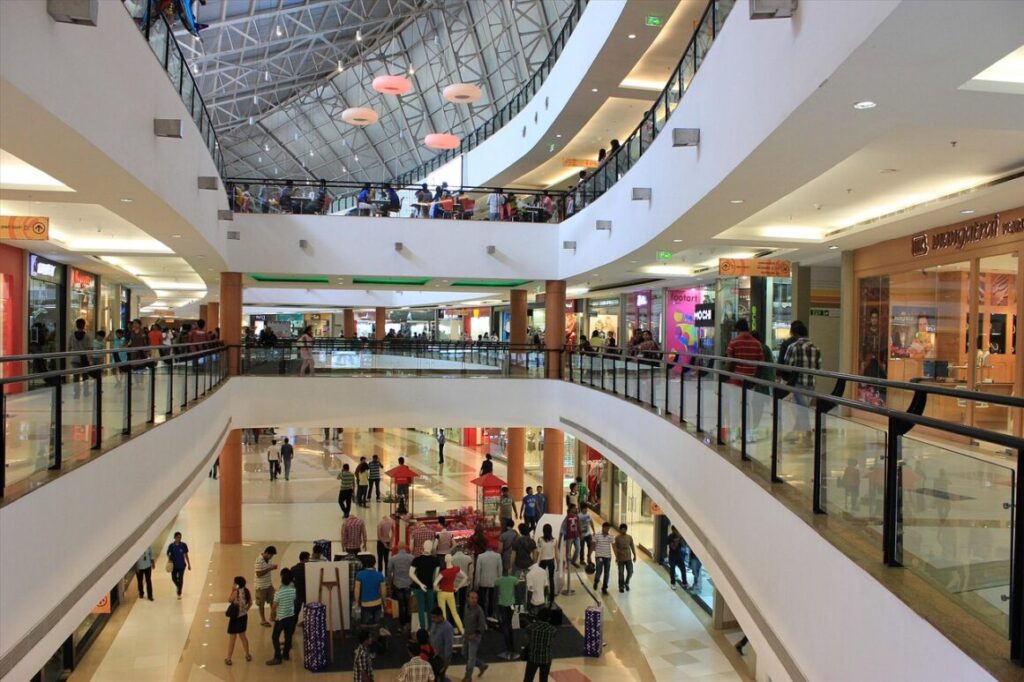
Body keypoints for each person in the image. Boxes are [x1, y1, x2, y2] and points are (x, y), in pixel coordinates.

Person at [783, 320, 821, 446]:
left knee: (802, 409)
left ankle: (808, 436)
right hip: (811, 382)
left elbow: (787, 365)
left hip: (797, 382)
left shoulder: (793, 347)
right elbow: (818, 367)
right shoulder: (816, 348)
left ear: (795, 334)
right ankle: (794, 433)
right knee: (801, 408)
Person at [266, 567, 297, 665]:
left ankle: (277, 657)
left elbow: (274, 606)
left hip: (281, 618)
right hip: (291, 617)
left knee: (275, 637)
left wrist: (272, 616)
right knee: (288, 636)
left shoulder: (278, 593)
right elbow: (294, 601)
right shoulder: (293, 591)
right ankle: (286, 654)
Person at [411, 541, 441, 631]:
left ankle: (423, 629)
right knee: (430, 608)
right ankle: (431, 629)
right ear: (432, 547)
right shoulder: (436, 560)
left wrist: (420, 583)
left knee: (421, 608)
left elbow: (411, 573)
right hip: (430, 587)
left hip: (418, 587)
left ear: (423, 547)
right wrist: (434, 585)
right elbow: (436, 575)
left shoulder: (417, 559)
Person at [523, 607, 557, 681]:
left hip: (533, 657)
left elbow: (527, 639)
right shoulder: (553, 630)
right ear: (549, 618)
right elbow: (551, 642)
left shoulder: (530, 627)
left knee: (528, 678)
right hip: (546, 658)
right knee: (544, 679)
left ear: (538, 616)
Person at [461, 590, 489, 681]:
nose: (474, 600)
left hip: (475, 637)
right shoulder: (466, 607)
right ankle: (481, 665)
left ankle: (468, 676)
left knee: (471, 657)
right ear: (468, 598)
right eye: (472, 598)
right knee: (464, 654)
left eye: (476, 598)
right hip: (467, 635)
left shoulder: (479, 610)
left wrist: (475, 634)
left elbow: (482, 626)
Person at [224, 576, 253, 665]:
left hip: (235, 617)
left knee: (232, 638)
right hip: (243, 617)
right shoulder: (246, 591)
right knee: (243, 636)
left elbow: (229, 600)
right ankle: (247, 654)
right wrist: (245, 610)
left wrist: (232, 590)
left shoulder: (236, 592)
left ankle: (229, 658)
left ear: (237, 584)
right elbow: (250, 603)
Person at [434, 555, 466, 633]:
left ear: (445, 560)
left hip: (442, 593)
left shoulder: (443, 572)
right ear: (452, 559)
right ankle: (461, 630)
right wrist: (458, 587)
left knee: (443, 613)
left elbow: (435, 583)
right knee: (454, 613)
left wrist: (437, 589)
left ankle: (444, 631)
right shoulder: (456, 569)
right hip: (451, 593)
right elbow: (465, 577)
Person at [355, 556, 387, 625]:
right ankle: (375, 635)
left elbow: (357, 591)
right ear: (374, 563)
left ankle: (366, 635)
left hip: (365, 604)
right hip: (377, 603)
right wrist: (384, 603)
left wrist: (357, 603)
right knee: (376, 625)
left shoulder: (360, 575)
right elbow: (383, 591)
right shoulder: (379, 575)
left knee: (365, 625)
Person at [389, 544, 414, 630]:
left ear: (398, 548)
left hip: (397, 584)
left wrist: (390, 583)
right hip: (408, 583)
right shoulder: (411, 557)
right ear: (406, 548)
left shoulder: (393, 558)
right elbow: (414, 571)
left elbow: (389, 572)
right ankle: (409, 621)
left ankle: (402, 623)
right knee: (408, 603)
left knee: (401, 604)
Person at [68, 318, 93, 399]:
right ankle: (86, 392)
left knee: (76, 376)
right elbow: (89, 349)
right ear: (84, 325)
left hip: (74, 358)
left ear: (76, 325)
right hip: (84, 358)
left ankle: (76, 393)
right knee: (85, 376)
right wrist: (90, 360)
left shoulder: (71, 336)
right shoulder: (87, 336)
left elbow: (69, 347)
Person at [254, 546, 278, 626]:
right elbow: (259, 574)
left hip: (269, 584)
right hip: (260, 586)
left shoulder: (269, 559)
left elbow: (268, 567)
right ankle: (263, 620)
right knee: (261, 604)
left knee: (273, 600)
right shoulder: (259, 560)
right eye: (271, 555)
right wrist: (270, 569)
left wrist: (272, 567)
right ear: (266, 553)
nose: (271, 557)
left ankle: (273, 616)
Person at [429, 606, 455, 679]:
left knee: (439, 677)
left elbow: (448, 647)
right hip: (433, 656)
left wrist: (445, 664)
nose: (432, 619)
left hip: (441, 659)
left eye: (434, 617)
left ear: (440, 616)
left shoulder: (447, 628)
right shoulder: (434, 623)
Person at [537, 524, 558, 603]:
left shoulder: (540, 540)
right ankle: (552, 597)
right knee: (551, 579)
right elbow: (556, 553)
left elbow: (538, 552)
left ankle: (541, 595)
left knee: (541, 579)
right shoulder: (554, 540)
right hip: (551, 561)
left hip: (542, 561)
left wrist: (535, 563)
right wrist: (558, 563)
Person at [613, 523, 637, 593]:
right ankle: (621, 586)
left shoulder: (629, 537)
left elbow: (632, 546)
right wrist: (616, 557)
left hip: (628, 558)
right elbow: (615, 548)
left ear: (626, 530)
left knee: (630, 571)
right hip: (620, 558)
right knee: (621, 573)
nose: (623, 530)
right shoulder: (617, 538)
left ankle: (626, 582)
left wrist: (634, 555)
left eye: (624, 529)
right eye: (622, 529)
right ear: (620, 530)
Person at [166, 532, 190, 599]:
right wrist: (169, 559)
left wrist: (189, 564)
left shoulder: (183, 545)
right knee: (173, 578)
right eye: (178, 537)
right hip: (174, 565)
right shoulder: (171, 546)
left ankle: (179, 593)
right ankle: (178, 586)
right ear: (175, 538)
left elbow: (186, 555)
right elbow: (168, 553)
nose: (179, 539)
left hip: (182, 565)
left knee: (180, 579)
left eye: (180, 537)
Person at [592, 522, 613, 595]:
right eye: (606, 528)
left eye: (608, 528)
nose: (607, 529)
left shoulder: (610, 536)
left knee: (607, 573)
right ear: (603, 527)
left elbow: (614, 546)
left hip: (607, 557)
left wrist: (617, 556)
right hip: (599, 556)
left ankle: (604, 588)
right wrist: (590, 554)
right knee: (599, 571)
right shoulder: (597, 535)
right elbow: (593, 545)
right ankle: (596, 581)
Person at [290, 551, 310, 623]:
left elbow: (291, 581)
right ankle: (306, 622)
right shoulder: (308, 569)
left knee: (296, 610)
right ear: (305, 559)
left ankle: (292, 626)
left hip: (297, 592)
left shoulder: (293, 568)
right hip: (306, 592)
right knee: (307, 609)